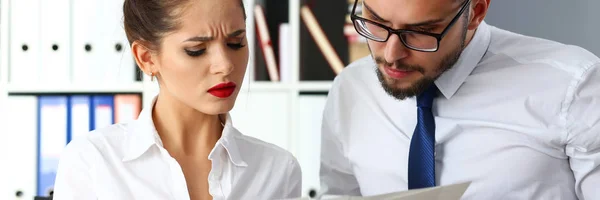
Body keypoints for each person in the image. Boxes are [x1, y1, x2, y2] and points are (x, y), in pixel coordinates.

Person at [320, 0, 600, 199]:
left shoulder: (573, 87)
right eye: (376, 22)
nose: (392, 54)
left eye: (420, 31)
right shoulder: (351, 89)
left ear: (476, 11)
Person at [53, 0, 302, 199]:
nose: (225, 66)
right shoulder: (93, 162)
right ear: (147, 58)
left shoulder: (278, 170)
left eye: (235, 43)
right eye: (197, 50)